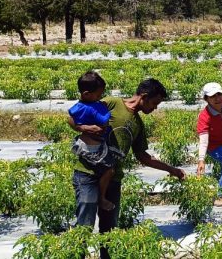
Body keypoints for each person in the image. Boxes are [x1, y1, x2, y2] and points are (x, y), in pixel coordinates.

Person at [69, 78, 184, 259]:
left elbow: (143, 157)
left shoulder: (138, 124)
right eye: (154, 103)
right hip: (87, 174)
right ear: (144, 97)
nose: (155, 108)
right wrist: (84, 127)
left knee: (109, 231)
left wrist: (172, 169)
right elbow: (74, 116)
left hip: (113, 179)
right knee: (85, 223)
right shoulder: (112, 103)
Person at [69, 71, 121, 212]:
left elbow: (70, 116)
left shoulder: (79, 107)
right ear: (86, 94)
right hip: (93, 149)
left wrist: (81, 126)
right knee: (109, 170)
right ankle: (101, 198)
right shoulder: (91, 108)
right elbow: (104, 121)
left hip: (85, 146)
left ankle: (98, 196)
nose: (100, 98)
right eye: (98, 95)